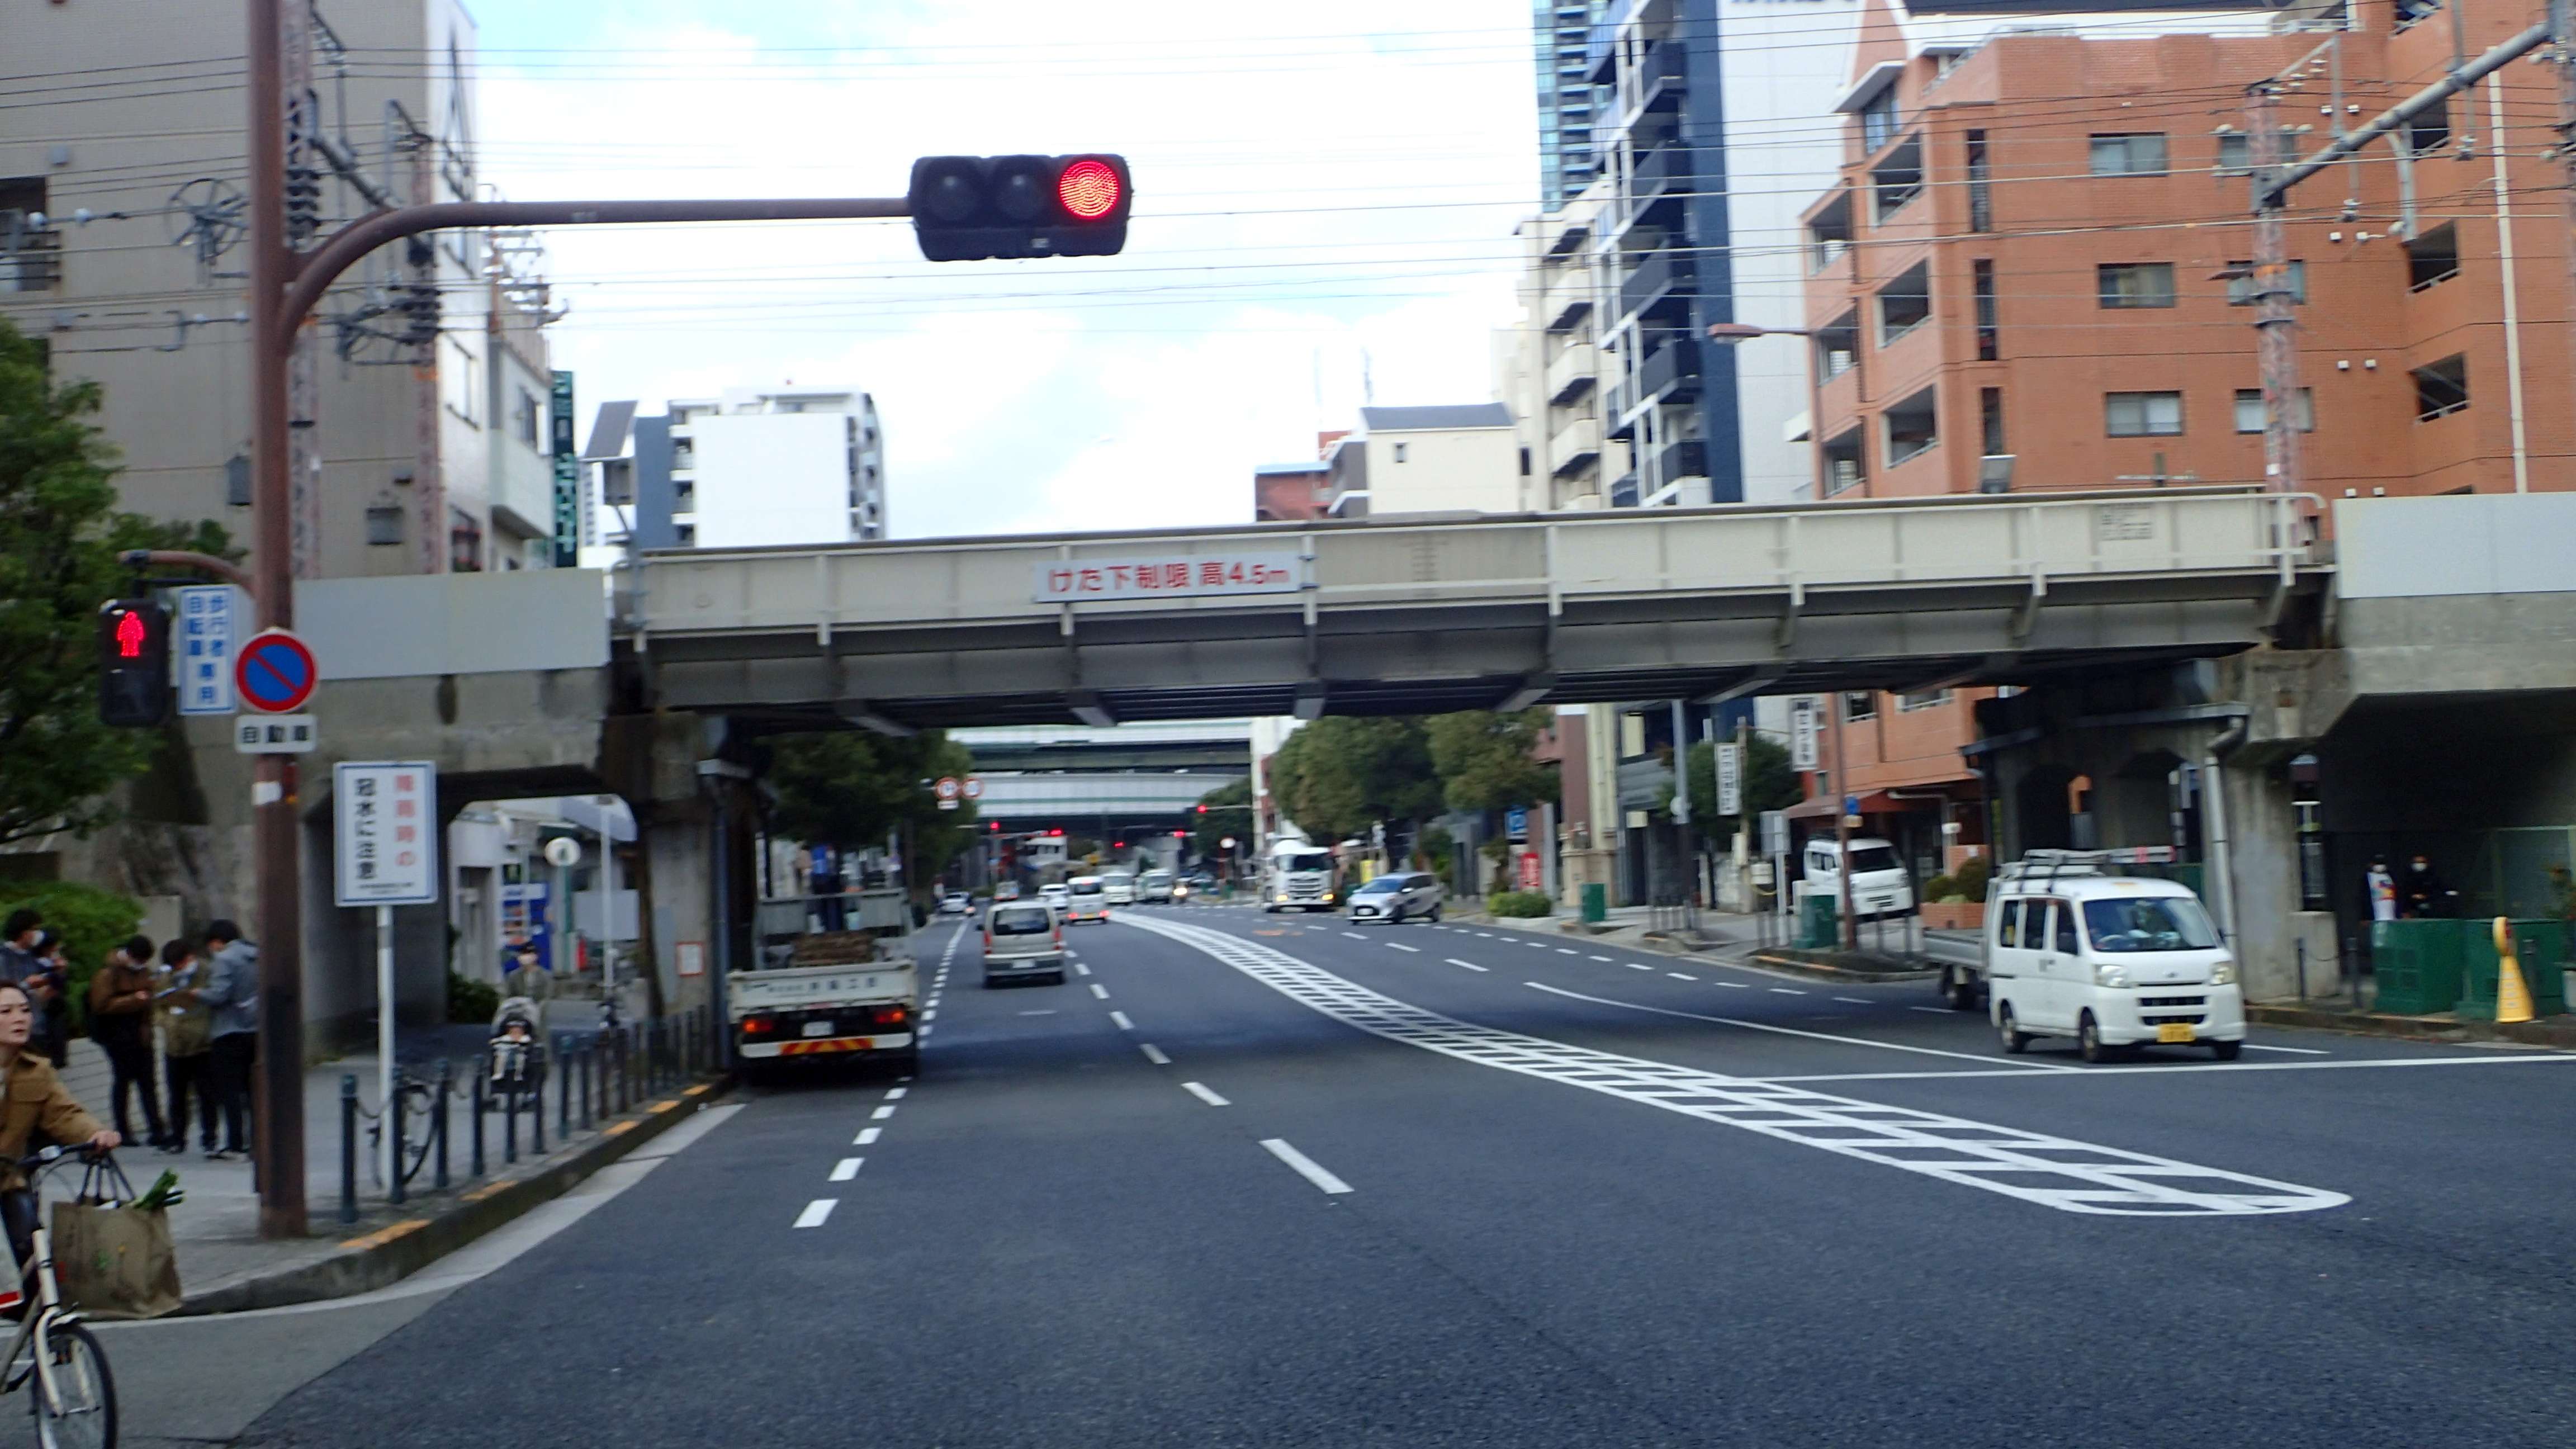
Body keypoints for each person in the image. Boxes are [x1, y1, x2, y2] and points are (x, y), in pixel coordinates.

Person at [0, 980, 119, 1278]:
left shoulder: (36, 1070)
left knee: (31, 1251)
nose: (19, 1018)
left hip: (9, 1182)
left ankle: (42, 1305)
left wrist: (95, 1134)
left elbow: (65, 1113)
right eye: (6, 1012)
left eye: (24, 1010)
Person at [87, 935, 167, 1149]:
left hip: (141, 1034)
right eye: (139, 960)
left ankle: (157, 1129)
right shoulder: (108, 974)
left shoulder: (143, 972)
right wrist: (133, 1000)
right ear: (129, 955)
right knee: (122, 1082)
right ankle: (123, 1130)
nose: (141, 965)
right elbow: (100, 1005)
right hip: (117, 1035)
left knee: (148, 1082)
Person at [199, 919, 259, 1162]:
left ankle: (235, 1143)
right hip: (254, 1029)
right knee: (254, 1090)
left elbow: (219, 995)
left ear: (216, 942)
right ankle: (258, 1141)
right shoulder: (257, 955)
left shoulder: (224, 959)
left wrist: (197, 994)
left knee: (230, 1091)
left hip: (228, 1031)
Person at [155, 939, 216, 1157]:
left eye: (179, 964)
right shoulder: (166, 977)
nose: (177, 969)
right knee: (176, 1094)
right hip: (175, 1044)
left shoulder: (208, 972)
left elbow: (215, 1001)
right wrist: (166, 1022)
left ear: (190, 957)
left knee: (206, 1093)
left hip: (202, 1044)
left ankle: (210, 1138)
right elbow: (158, 1006)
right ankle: (177, 1138)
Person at [2402, 854, 2451, 919]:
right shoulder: (2407, 878)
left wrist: (2426, 897)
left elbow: (2440, 892)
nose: (2419, 864)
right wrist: (2405, 911)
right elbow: (2403, 895)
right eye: (2417, 862)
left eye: (2422, 862)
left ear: (2427, 864)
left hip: (2431, 910)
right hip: (2412, 910)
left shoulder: (2433, 878)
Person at [2365, 858, 2398, 924]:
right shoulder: (2367, 878)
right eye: (2377, 864)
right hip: (2376, 916)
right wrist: (2366, 917)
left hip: (2392, 916)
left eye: (2381, 863)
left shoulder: (2390, 876)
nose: (2380, 866)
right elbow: (2365, 898)